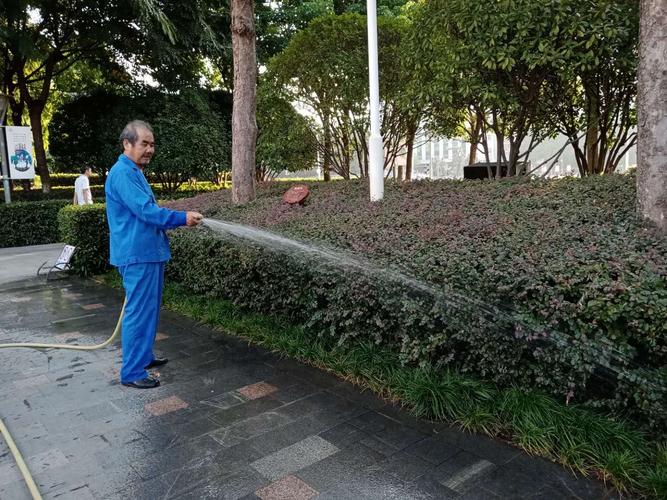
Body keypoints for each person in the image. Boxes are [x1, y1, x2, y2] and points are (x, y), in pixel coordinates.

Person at [105, 120, 203, 389]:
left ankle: (143, 357)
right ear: (127, 143)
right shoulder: (123, 174)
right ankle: (132, 372)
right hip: (138, 254)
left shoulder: (133, 171)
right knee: (139, 311)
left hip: (147, 252)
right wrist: (182, 218)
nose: (149, 149)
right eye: (143, 144)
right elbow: (146, 211)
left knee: (148, 310)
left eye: (152, 144)